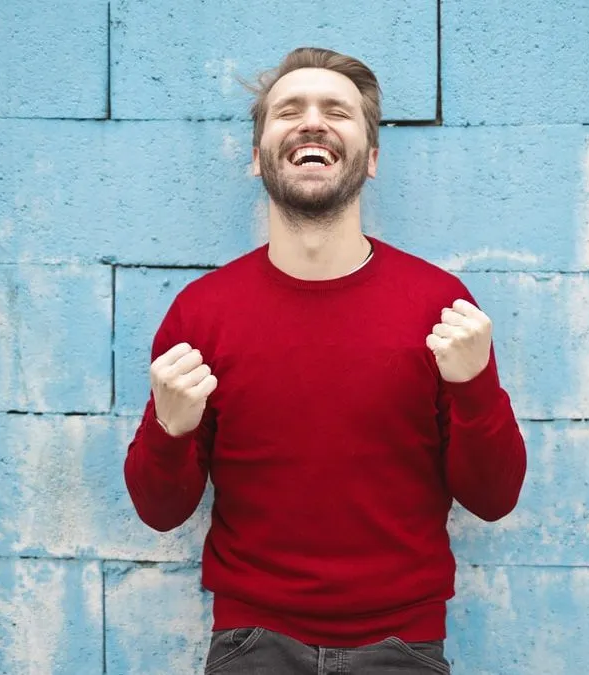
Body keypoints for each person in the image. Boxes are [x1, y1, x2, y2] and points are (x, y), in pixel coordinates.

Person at [124, 46, 527, 675]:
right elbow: (159, 510)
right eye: (289, 111)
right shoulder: (201, 314)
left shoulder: (440, 309)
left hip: (404, 648)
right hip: (249, 646)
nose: (312, 122)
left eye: (336, 111)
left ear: (370, 159)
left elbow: (494, 498)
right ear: (258, 159)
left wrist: (475, 388)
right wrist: (168, 429)